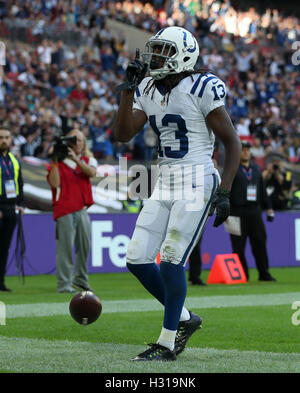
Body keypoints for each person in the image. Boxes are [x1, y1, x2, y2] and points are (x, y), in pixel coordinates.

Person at [114, 26, 241, 361]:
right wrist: (128, 91)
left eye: (163, 51)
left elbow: (232, 142)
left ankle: (167, 342)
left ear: (183, 54)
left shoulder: (201, 85)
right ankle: (185, 318)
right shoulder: (149, 87)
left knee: (171, 260)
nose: (156, 57)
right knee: (137, 259)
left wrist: (224, 191)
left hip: (197, 177)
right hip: (164, 180)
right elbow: (123, 134)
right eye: (155, 50)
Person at [47, 129, 97, 293]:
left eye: (79, 140)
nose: (76, 143)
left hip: (82, 209)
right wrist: (54, 161)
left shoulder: (87, 160)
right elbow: (54, 184)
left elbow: (92, 173)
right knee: (65, 249)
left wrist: (76, 160)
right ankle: (64, 284)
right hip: (65, 210)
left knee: (84, 247)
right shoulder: (58, 163)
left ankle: (81, 280)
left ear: (84, 144)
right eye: (73, 140)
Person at [229, 141, 276, 282]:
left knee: (260, 242)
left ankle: (264, 273)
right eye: (243, 150)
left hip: (255, 211)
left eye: (248, 150)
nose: (246, 152)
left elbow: (262, 190)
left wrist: (269, 207)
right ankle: (242, 275)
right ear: (239, 152)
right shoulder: (232, 168)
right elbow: (226, 189)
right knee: (238, 245)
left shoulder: (256, 168)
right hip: (236, 211)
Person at [0, 127, 25, 292]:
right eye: (1, 137)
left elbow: (20, 184)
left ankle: (0, 281)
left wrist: (21, 204)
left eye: (6, 137)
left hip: (10, 209)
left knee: (5, 247)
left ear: (11, 140)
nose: (4, 140)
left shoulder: (14, 161)